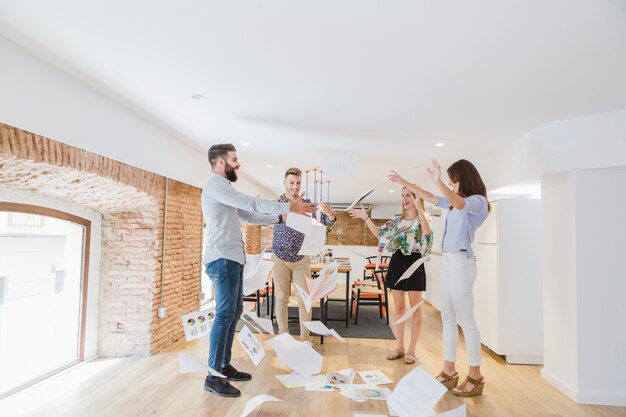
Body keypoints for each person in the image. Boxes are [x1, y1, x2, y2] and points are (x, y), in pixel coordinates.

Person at [201, 144, 317, 397]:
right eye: (234, 159)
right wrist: (288, 209)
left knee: (235, 312)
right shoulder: (216, 187)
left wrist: (280, 219)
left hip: (233, 259)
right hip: (221, 259)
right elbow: (250, 203)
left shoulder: (226, 190)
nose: (238, 164)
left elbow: (248, 216)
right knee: (223, 315)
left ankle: (223, 365)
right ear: (221, 162)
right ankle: (213, 375)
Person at [389, 158, 490, 397]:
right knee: (448, 318)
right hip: (448, 262)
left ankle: (475, 376)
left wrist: (438, 182)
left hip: (461, 262)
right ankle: (448, 370)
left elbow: (458, 201)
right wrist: (404, 181)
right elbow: (433, 198)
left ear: (462, 179)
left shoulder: (477, 202)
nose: (451, 184)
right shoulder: (455, 204)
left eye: (453, 180)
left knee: (466, 321)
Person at [348, 187, 433, 365]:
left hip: (414, 264)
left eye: (408, 195)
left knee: (415, 309)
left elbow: (427, 235)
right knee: (400, 308)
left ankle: (412, 350)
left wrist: (419, 209)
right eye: (402, 196)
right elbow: (379, 233)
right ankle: (400, 347)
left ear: (417, 197)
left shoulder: (425, 218)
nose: (404, 199)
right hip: (397, 261)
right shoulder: (397, 219)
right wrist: (366, 218)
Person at [271, 167, 337, 341]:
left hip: (301, 258)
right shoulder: (276, 204)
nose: (295, 186)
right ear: (284, 183)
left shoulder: (307, 203)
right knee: (281, 299)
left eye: (298, 183)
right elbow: (268, 217)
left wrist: (330, 214)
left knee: (304, 299)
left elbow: (325, 221)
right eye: (291, 182)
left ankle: (305, 339)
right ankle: (283, 337)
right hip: (279, 257)